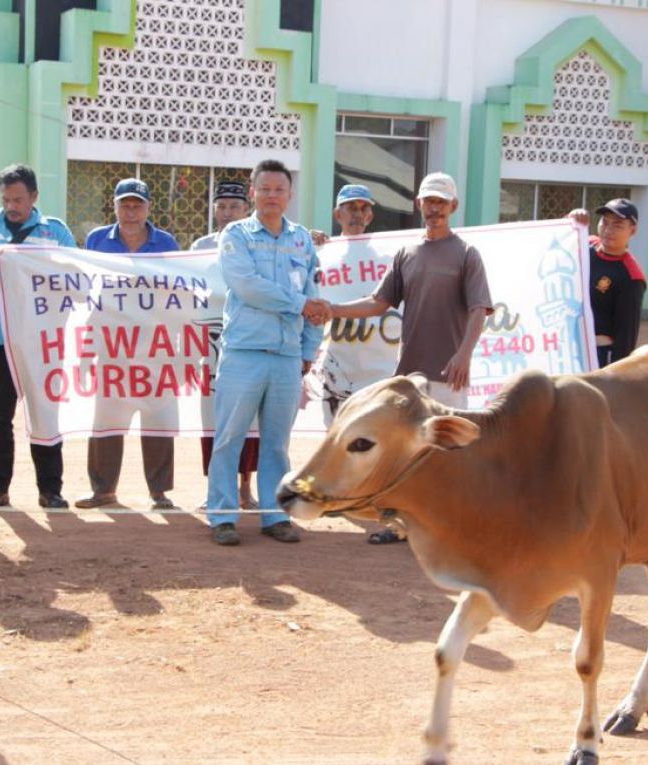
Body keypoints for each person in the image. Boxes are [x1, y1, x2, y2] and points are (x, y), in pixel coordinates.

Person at [326, 172, 492, 543]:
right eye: (428, 201)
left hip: (450, 374)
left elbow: (480, 309)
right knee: (406, 452)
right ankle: (402, 526)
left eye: (441, 202)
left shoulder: (466, 254)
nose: (434, 209)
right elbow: (378, 303)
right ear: (418, 204)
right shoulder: (406, 254)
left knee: (449, 452)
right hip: (411, 374)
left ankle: (450, 527)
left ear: (453, 206)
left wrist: (464, 355)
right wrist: (332, 308)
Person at [206, 159, 326, 546]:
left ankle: (275, 515)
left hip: (287, 356)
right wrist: (299, 304)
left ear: (290, 195)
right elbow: (247, 286)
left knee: (277, 443)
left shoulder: (302, 240)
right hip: (244, 352)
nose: (272, 196)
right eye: (265, 189)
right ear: (253, 192)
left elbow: (315, 295)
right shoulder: (236, 236)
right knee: (229, 438)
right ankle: (222, 516)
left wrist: (308, 348)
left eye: (280, 189)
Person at [0, 164, 75, 512]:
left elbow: (74, 276)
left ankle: (51, 490)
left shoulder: (55, 233)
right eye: (5, 199)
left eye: (18, 199)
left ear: (34, 197)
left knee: (45, 413)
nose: (11, 206)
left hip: (43, 339)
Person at [80, 178, 180, 510]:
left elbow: (179, 291)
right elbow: (83, 284)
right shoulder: (97, 239)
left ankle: (159, 492)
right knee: (107, 417)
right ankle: (103, 490)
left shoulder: (165, 242)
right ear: (115, 206)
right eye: (125, 205)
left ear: (149, 208)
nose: (131, 212)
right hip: (111, 342)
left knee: (158, 417)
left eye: (138, 205)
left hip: (154, 344)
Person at [191, 180, 260, 509]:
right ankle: (218, 490)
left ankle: (246, 488)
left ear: (247, 209)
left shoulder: (260, 243)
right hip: (210, 344)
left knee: (249, 417)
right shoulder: (199, 248)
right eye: (221, 206)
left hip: (248, 340)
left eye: (234, 206)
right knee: (214, 418)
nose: (227, 212)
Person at [580, 199, 646, 366]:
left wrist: (616, 374)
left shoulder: (631, 276)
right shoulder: (585, 245)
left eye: (617, 225)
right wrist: (572, 220)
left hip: (598, 355)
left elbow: (626, 336)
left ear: (633, 230)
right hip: (566, 347)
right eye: (605, 222)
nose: (608, 230)